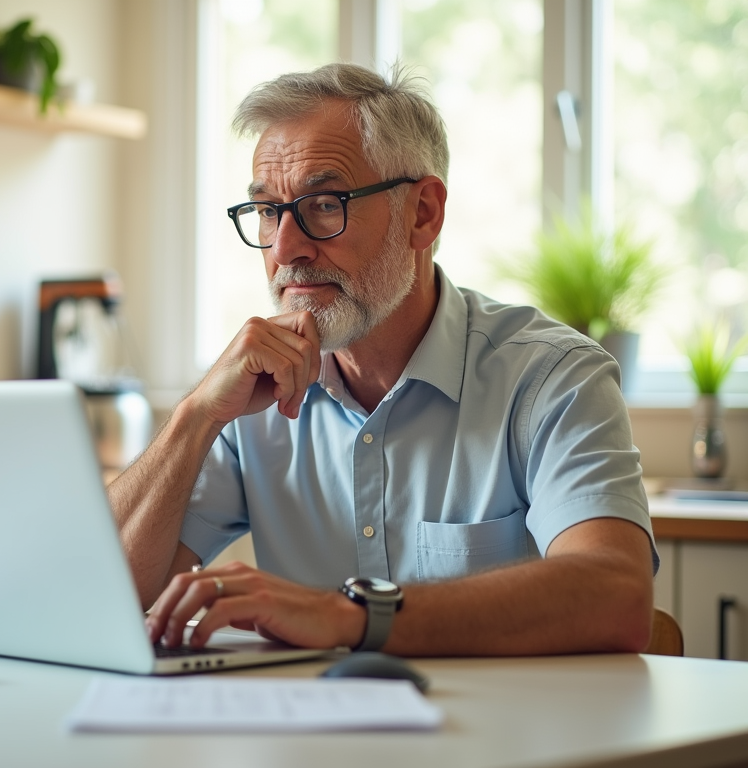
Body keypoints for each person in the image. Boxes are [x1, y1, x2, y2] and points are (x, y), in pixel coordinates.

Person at [108, 62, 657, 657]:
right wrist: (194, 418)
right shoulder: (253, 391)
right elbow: (99, 590)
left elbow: (617, 595)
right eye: (268, 212)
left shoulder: (550, 377)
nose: (285, 249)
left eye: (324, 204)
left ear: (423, 213)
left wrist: (345, 615)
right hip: (313, 740)